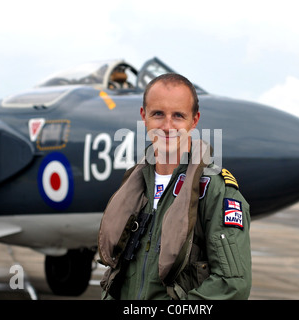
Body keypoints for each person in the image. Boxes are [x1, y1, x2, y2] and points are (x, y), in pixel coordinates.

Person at [97, 73, 251, 300]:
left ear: (194, 120)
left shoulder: (215, 191)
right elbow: (117, 275)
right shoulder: (136, 186)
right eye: (158, 114)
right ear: (144, 117)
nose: (167, 126)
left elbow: (232, 285)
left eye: (178, 116)